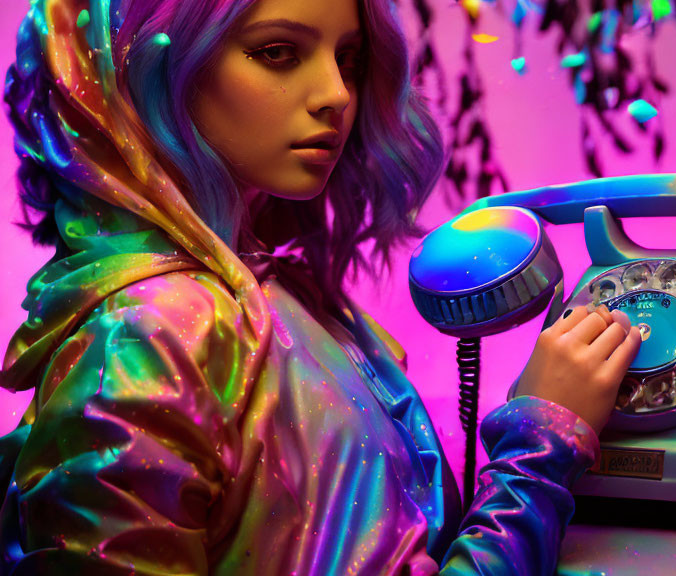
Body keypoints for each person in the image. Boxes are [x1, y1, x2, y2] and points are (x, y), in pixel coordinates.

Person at [0, 0, 641, 573]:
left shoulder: (276, 294)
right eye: (277, 52)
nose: (337, 94)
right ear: (143, 68)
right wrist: (540, 444)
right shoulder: (144, 338)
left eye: (350, 58)